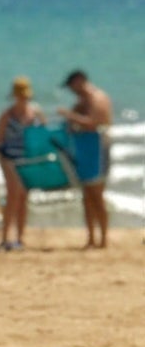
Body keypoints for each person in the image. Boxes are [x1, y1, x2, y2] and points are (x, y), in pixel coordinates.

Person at [59, 69, 113, 248]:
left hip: (97, 148)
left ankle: (103, 238)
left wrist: (70, 116)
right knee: (86, 195)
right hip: (83, 149)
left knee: (97, 194)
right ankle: (91, 238)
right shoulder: (81, 101)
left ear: (80, 80)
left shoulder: (97, 98)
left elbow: (95, 122)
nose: (72, 90)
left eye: (72, 86)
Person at [0, 76, 44, 250]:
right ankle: (6, 237)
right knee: (13, 194)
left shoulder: (36, 113)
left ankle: (20, 237)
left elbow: (44, 136)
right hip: (9, 159)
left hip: (28, 160)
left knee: (23, 197)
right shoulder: (7, 115)